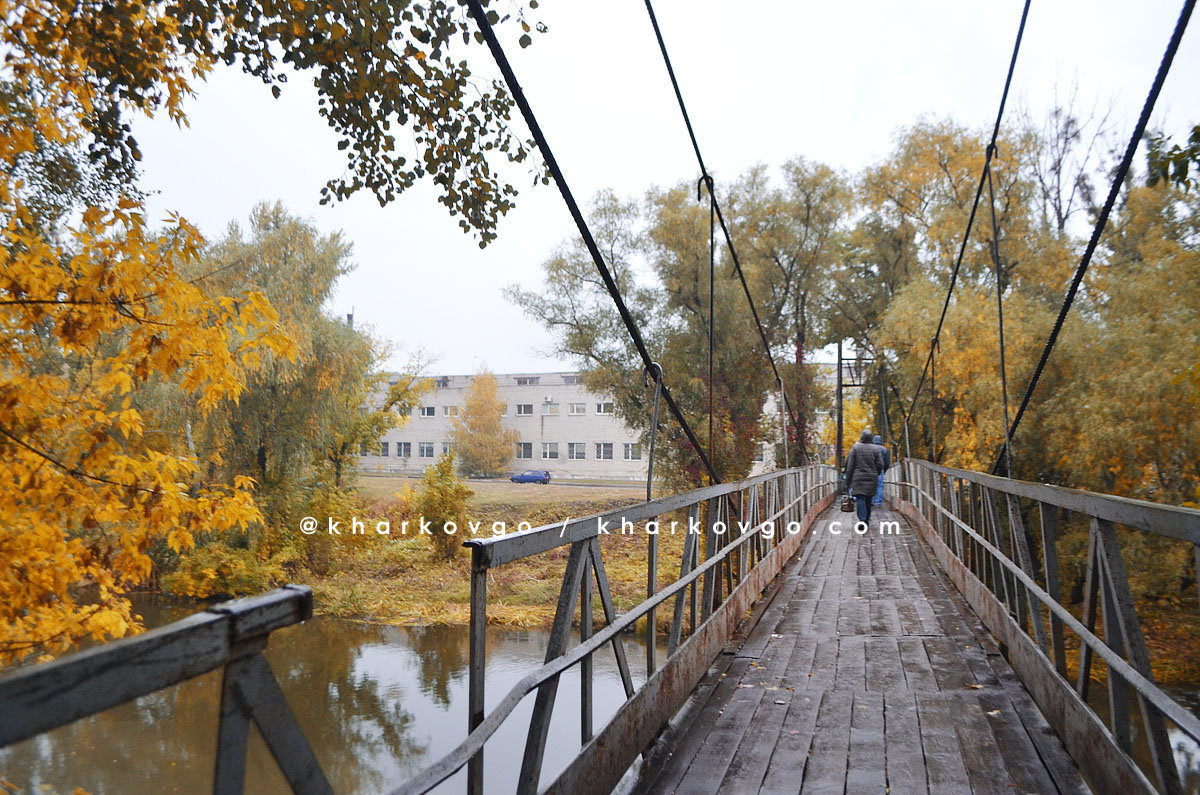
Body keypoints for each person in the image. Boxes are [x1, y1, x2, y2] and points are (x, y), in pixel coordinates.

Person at [844, 429, 887, 524]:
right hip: (872, 478)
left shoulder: (855, 448)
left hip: (858, 478)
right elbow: (880, 464)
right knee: (869, 498)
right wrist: (876, 473)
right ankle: (867, 518)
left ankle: (862, 519)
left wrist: (848, 480)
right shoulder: (876, 449)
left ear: (861, 437)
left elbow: (850, 466)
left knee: (860, 498)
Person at [872, 434, 890, 507]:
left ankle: (871, 500)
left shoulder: (871, 448)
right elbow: (887, 462)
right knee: (879, 486)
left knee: (872, 485)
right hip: (880, 470)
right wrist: (884, 470)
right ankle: (878, 502)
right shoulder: (884, 449)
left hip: (872, 470)